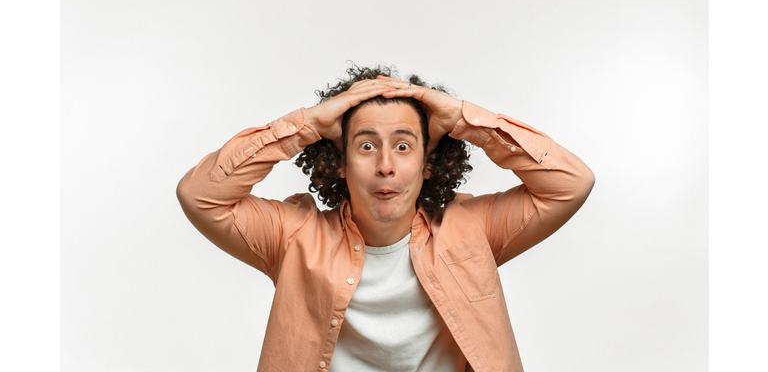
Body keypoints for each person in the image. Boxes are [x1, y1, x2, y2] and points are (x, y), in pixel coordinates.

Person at [176, 65, 595, 371]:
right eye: (365, 146)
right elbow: (201, 195)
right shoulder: (293, 237)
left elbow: (571, 183)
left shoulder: (473, 228)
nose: (385, 166)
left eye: (403, 146)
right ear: (340, 163)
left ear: (428, 164)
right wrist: (306, 124)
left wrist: (465, 119)